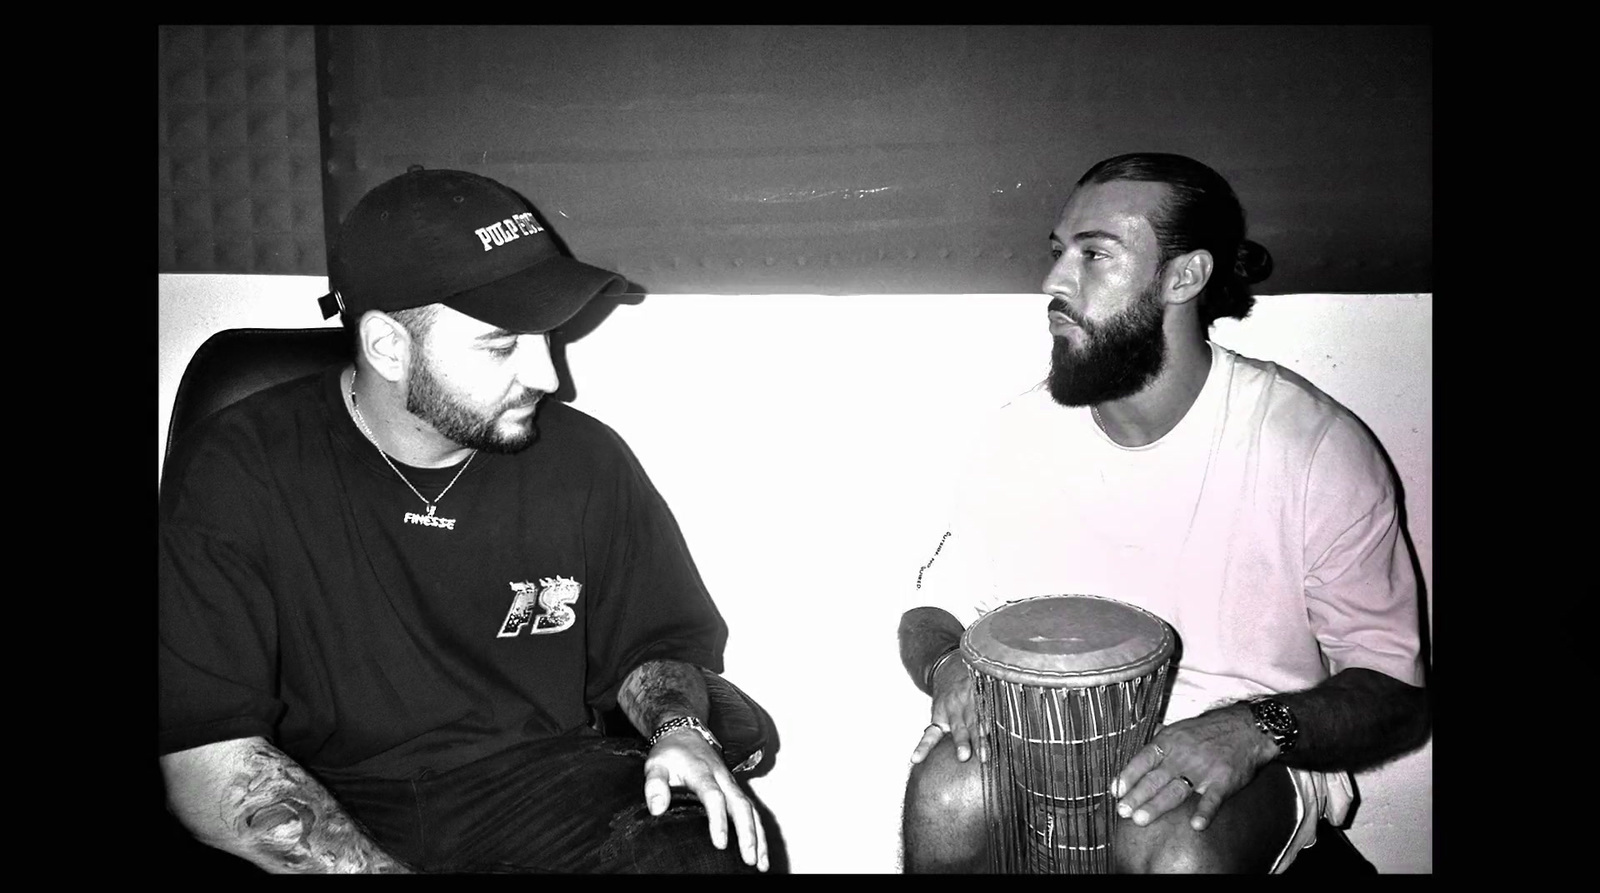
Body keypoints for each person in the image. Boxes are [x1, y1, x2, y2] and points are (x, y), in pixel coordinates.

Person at [159, 167, 773, 874]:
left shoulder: (585, 460)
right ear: (390, 346)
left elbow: (650, 645)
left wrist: (682, 728)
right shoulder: (239, 467)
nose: (550, 378)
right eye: (501, 344)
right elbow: (207, 755)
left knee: (705, 855)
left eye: (547, 336)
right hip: (325, 789)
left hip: (541, 783)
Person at [897, 152, 1430, 874]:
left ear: (1185, 276)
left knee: (1172, 839)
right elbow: (931, 610)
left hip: (1248, 751)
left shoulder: (1313, 448)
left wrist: (1249, 730)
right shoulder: (1014, 436)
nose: (1053, 282)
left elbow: (1397, 691)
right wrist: (947, 662)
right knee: (945, 794)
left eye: (1094, 255)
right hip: (1046, 736)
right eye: (1059, 253)